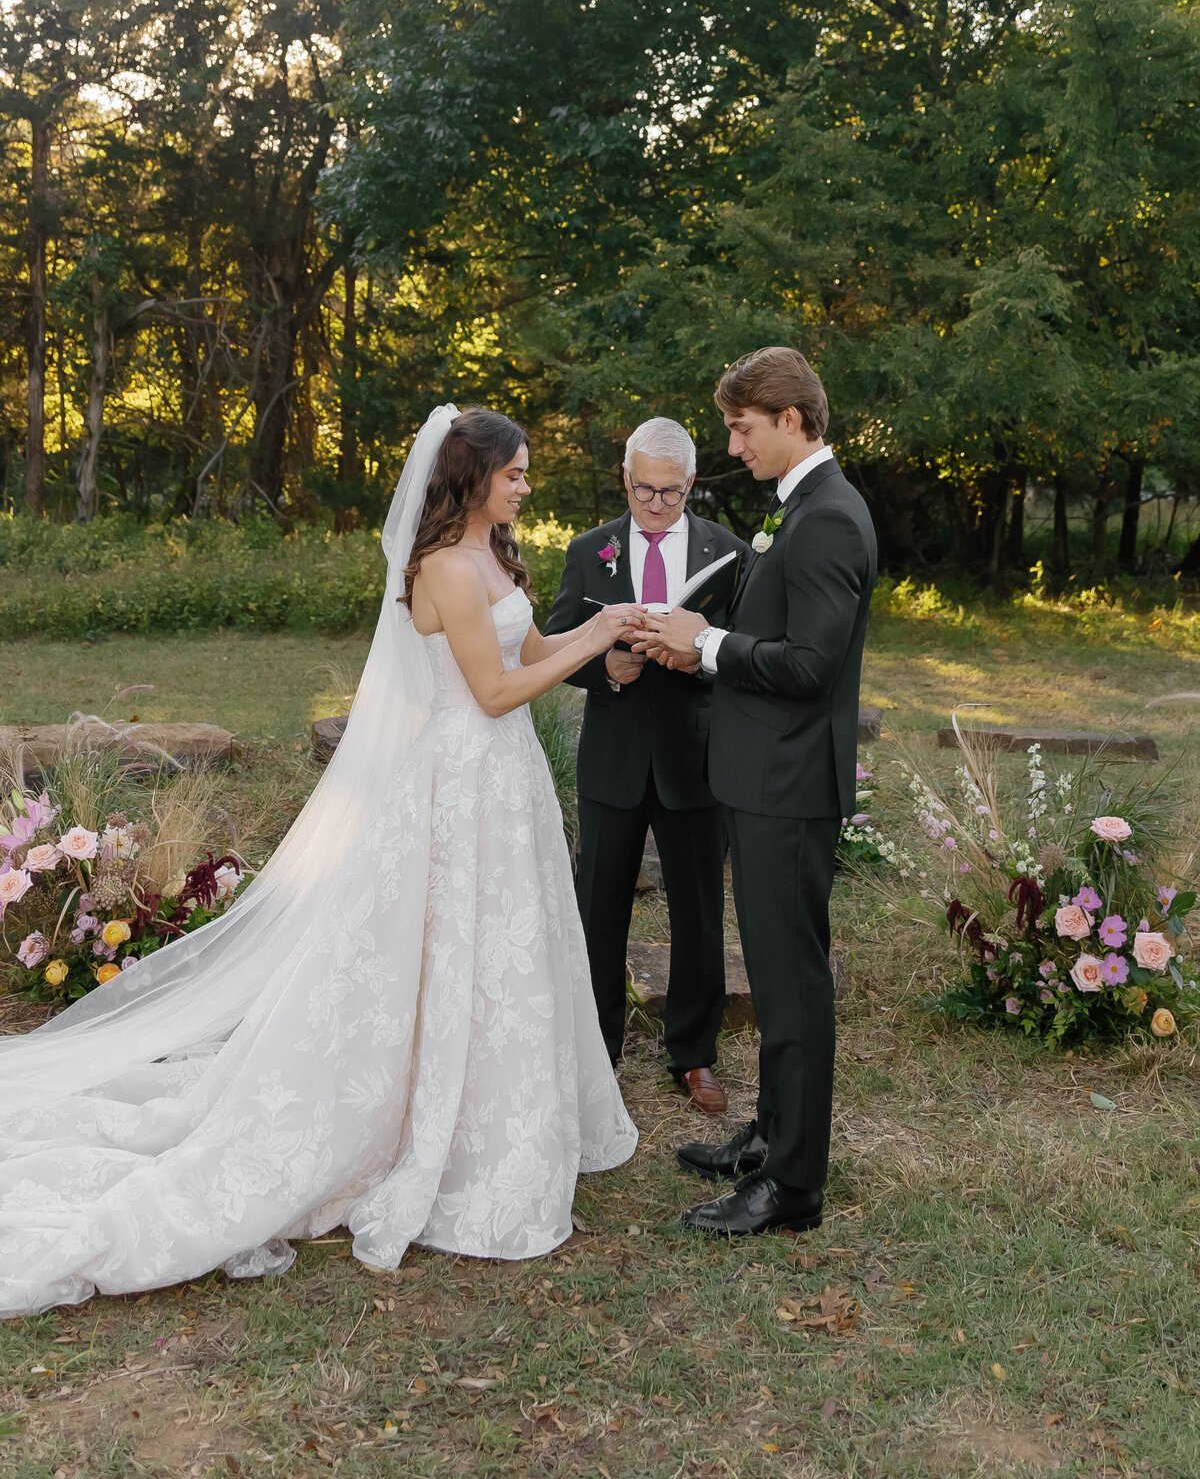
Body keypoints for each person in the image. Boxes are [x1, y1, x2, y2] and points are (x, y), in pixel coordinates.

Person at [0, 406, 640, 1318]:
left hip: (507, 786)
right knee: (448, 943)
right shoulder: (445, 569)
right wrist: (596, 629)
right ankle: (423, 1131)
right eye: (516, 473)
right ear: (472, 477)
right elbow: (495, 694)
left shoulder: (495, 555)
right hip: (463, 775)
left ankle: (492, 1118)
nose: (526, 485)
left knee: (501, 948)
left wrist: (599, 647)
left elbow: (529, 651)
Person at [634, 349, 877, 1236]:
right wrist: (696, 642)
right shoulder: (802, 510)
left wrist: (707, 646)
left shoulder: (829, 521)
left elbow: (810, 667)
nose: (732, 446)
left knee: (792, 982)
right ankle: (772, 1133)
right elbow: (775, 636)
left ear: (791, 419)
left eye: (741, 429)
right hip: (760, 778)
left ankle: (792, 1186)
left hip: (787, 788)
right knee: (775, 981)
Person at [544, 420, 748, 1112]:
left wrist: (701, 654)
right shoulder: (589, 551)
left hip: (696, 755)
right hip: (615, 754)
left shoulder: (729, 552)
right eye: (642, 491)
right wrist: (606, 666)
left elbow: (748, 650)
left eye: (670, 492)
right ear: (624, 479)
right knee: (598, 908)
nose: (656, 506)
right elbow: (553, 647)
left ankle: (693, 1056)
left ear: (691, 484)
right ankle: (595, 1052)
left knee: (698, 913)